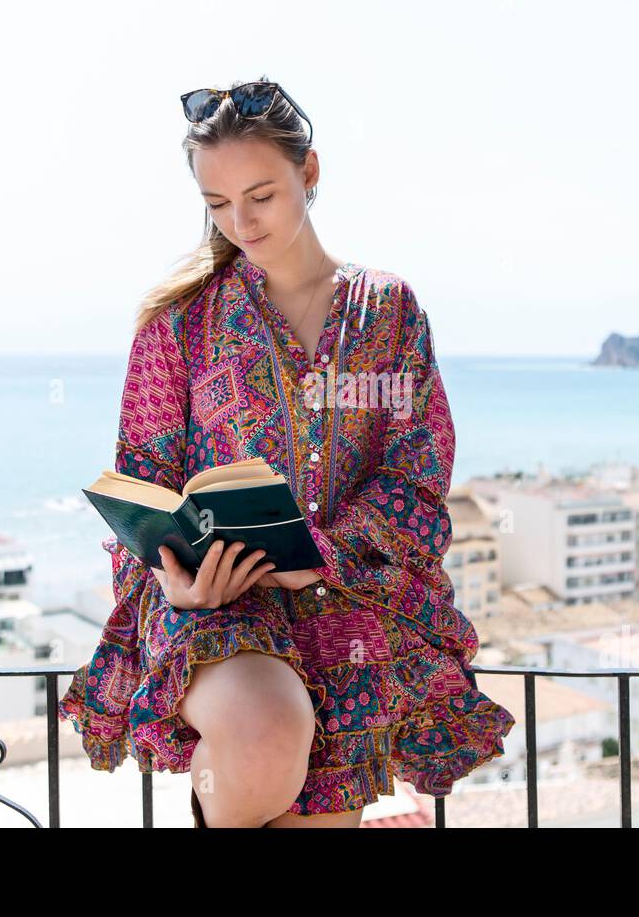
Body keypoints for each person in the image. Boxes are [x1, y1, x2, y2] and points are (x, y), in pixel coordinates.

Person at [58, 75, 516, 828]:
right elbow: (140, 479)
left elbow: (418, 472)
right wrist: (174, 580)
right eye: (217, 204)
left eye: (260, 195)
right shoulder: (178, 323)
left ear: (309, 174)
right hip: (212, 604)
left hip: (348, 603)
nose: (240, 220)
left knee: (312, 792)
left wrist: (325, 557)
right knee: (266, 735)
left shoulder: (389, 313)